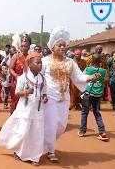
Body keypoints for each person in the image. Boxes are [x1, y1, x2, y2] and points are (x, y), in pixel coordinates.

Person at [42, 27, 101, 163]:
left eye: (64, 45)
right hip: (49, 97)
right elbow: (38, 77)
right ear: (52, 46)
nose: (62, 47)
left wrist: (91, 77)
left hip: (64, 98)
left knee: (61, 126)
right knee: (51, 125)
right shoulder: (45, 61)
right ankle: (51, 151)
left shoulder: (70, 62)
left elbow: (78, 77)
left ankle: (47, 144)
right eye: (59, 45)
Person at [0, 52, 48, 166]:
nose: (40, 65)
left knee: (36, 134)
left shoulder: (43, 79)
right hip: (25, 110)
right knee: (23, 133)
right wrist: (26, 92)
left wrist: (44, 98)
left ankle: (34, 156)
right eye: (37, 62)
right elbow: (17, 93)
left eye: (41, 63)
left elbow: (44, 92)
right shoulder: (23, 78)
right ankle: (20, 152)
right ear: (29, 63)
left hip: (37, 111)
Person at [78, 53, 109, 141]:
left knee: (84, 113)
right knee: (97, 113)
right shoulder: (103, 71)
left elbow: (81, 78)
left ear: (92, 60)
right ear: (100, 61)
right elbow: (106, 81)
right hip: (98, 95)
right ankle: (102, 131)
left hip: (88, 94)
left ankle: (82, 131)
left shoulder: (88, 69)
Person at [9, 36, 31, 114]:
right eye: (22, 46)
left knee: (26, 102)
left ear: (29, 46)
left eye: (26, 46)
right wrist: (16, 76)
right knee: (15, 102)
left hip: (27, 84)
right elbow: (10, 69)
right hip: (16, 83)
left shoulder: (31, 57)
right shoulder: (15, 56)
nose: (24, 48)